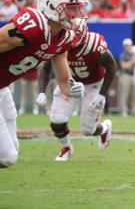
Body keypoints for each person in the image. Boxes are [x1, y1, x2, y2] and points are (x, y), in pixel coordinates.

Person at [0, 0, 87, 168]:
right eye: (71, 8)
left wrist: (72, 88)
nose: (77, 13)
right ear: (51, 5)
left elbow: (64, 81)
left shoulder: (64, 36)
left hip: (2, 87)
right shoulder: (35, 24)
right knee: (7, 157)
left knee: (12, 150)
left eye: (78, 7)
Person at [37, 31, 117, 161]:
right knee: (57, 120)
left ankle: (104, 129)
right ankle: (66, 147)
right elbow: (46, 68)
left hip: (93, 84)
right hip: (70, 83)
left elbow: (112, 66)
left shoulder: (93, 44)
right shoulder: (59, 43)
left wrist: (101, 95)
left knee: (88, 130)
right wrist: (41, 91)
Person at [118, 38, 135, 117]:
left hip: (133, 75)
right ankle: (124, 111)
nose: (127, 47)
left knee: (134, 94)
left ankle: (134, 110)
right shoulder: (123, 55)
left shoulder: (134, 54)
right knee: (124, 94)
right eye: (126, 46)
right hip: (125, 75)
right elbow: (124, 66)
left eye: (129, 45)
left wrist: (130, 64)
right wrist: (131, 63)